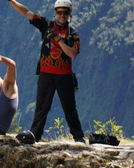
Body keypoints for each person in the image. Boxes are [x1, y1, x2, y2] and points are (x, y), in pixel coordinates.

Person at [9, 0, 84, 144]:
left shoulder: (73, 34)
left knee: (69, 107)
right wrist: (11, 1)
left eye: (65, 13)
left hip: (64, 75)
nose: (62, 15)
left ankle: (78, 137)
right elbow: (27, 13)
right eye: (59, 12)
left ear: (69, 14)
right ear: (55, 13)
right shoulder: (46, 25)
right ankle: (34, 135)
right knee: (42, 106)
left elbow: (73, 54)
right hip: (46, 73)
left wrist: (59, 41)